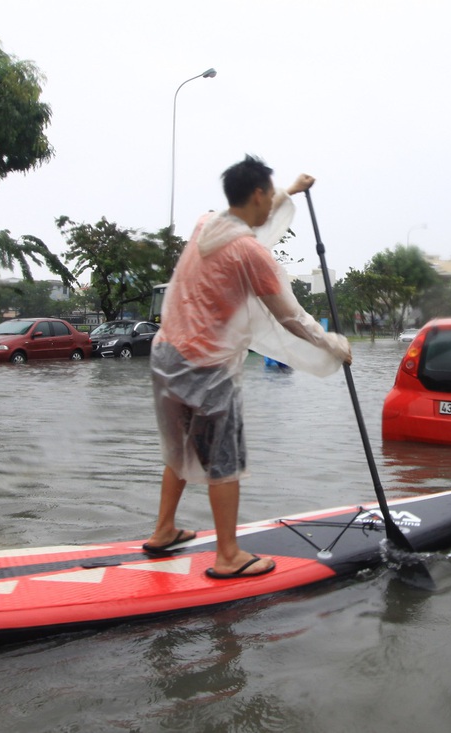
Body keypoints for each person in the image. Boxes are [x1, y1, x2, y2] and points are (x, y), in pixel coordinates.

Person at [144, 155, 352, 580]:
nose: (268, 202)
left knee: (181, 449)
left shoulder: (207, 224)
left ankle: (164, 530)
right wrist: (333, 346)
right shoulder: (249, 252)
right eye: (269, 193)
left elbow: (255, 215)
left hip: (165, 357)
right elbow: (290, 317)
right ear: (257, 193)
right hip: (205, 366)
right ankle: (228, 556)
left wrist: (290, 190)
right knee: (224, 459)